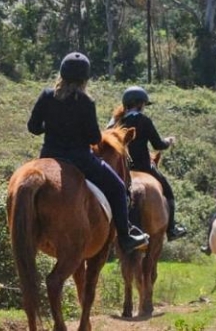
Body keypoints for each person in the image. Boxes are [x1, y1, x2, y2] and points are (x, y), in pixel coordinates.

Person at [28, 52, 149, 254]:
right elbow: (94, 138)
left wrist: (49, 128)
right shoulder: (85, 102)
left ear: (62, 74)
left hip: (49, 156)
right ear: (85, 78)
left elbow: (33, 127)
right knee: (118, 188)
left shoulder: (47, 96)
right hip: (80, 160)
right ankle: (126, 237)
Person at [108, 85, 189, 241]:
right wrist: (169, 141)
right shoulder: (144, 120)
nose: (144, 107)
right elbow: (157, 145)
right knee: (167, 190)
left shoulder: (118, 122)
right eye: (144, 104)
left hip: (123, 170)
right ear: (139, 104)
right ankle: (171, 229)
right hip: (144, 167)